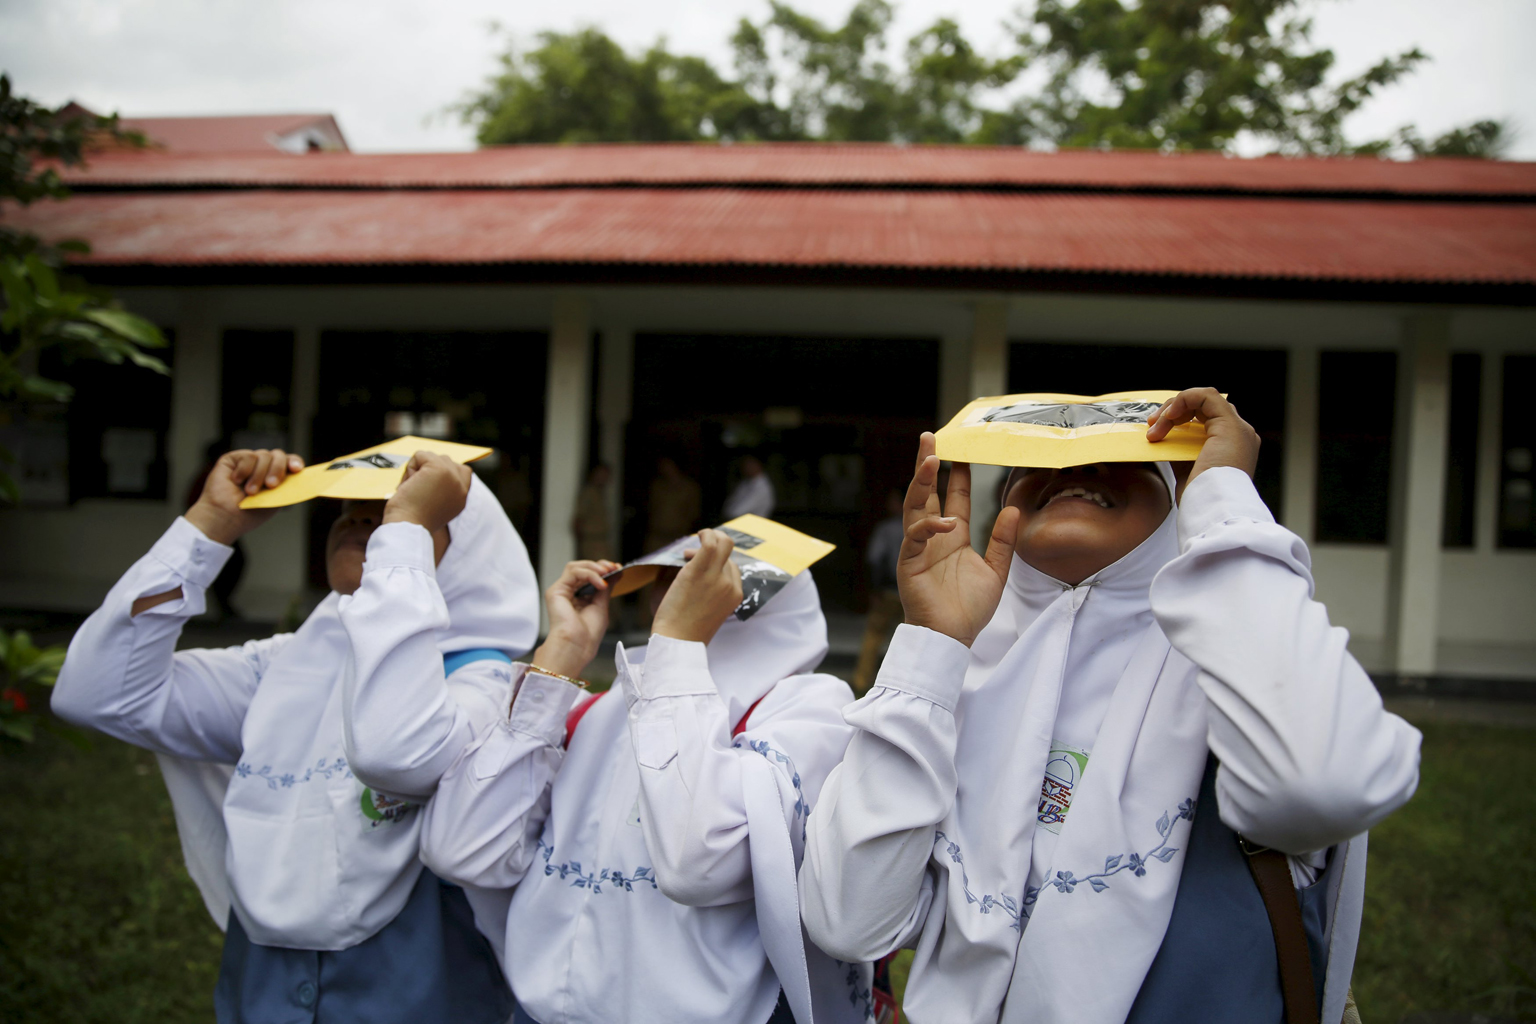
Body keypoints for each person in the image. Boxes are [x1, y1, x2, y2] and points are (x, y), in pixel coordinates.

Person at [800, 389, 1423, 1024]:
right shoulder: (961, 687)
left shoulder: (1239, 672)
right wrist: (932, 646)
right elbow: (849, 918)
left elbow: (1325, 782)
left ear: (1179, 498)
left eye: (1125, 452)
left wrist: (1224, 505)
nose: (1075, 467)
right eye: (1035, 460)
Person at [52, 446, 538, 1024]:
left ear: (467, 549)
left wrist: (403, 535)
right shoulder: (288, 666)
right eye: (347, 510)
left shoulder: (489, 683)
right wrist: (212, 524)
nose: (360, 522)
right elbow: (96, 692)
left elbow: (395, 753)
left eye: (389, 510)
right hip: (259, 991)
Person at [416, 533, 875, 1024]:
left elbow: (695, 863)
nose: (670, 593)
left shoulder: (807, 711)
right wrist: (561, 656)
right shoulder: (593, 711)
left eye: (694, 576)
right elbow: (459, 850)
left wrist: (680, 646)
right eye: (664, 577)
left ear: (749, 598)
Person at [852, 489, 905, 694]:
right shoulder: (924, 526)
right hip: (913, 591)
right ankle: (899, 684)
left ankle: (861, 681)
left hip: (889, 589)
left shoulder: (887, 528)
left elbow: (875, 559)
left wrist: (874, 589)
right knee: (906, 638)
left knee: (873, 635)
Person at [644, 456, 702, 555]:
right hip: (657, 535)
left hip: (678, 536)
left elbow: (693, 512)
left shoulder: (689, 488)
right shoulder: (658, 486)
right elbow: (652, 508)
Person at [572, 462, 614, 562]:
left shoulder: (601, 493)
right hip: (592, 541)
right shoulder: (589, 492)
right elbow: (579, 519)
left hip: (601, 540)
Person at [724, 453, 775, 520]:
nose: (746, 467)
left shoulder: (762, 488)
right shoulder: (746, 482)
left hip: (752, 527)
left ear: (758, 464)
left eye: (749, 464)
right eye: (744, 464)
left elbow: (736, 512)